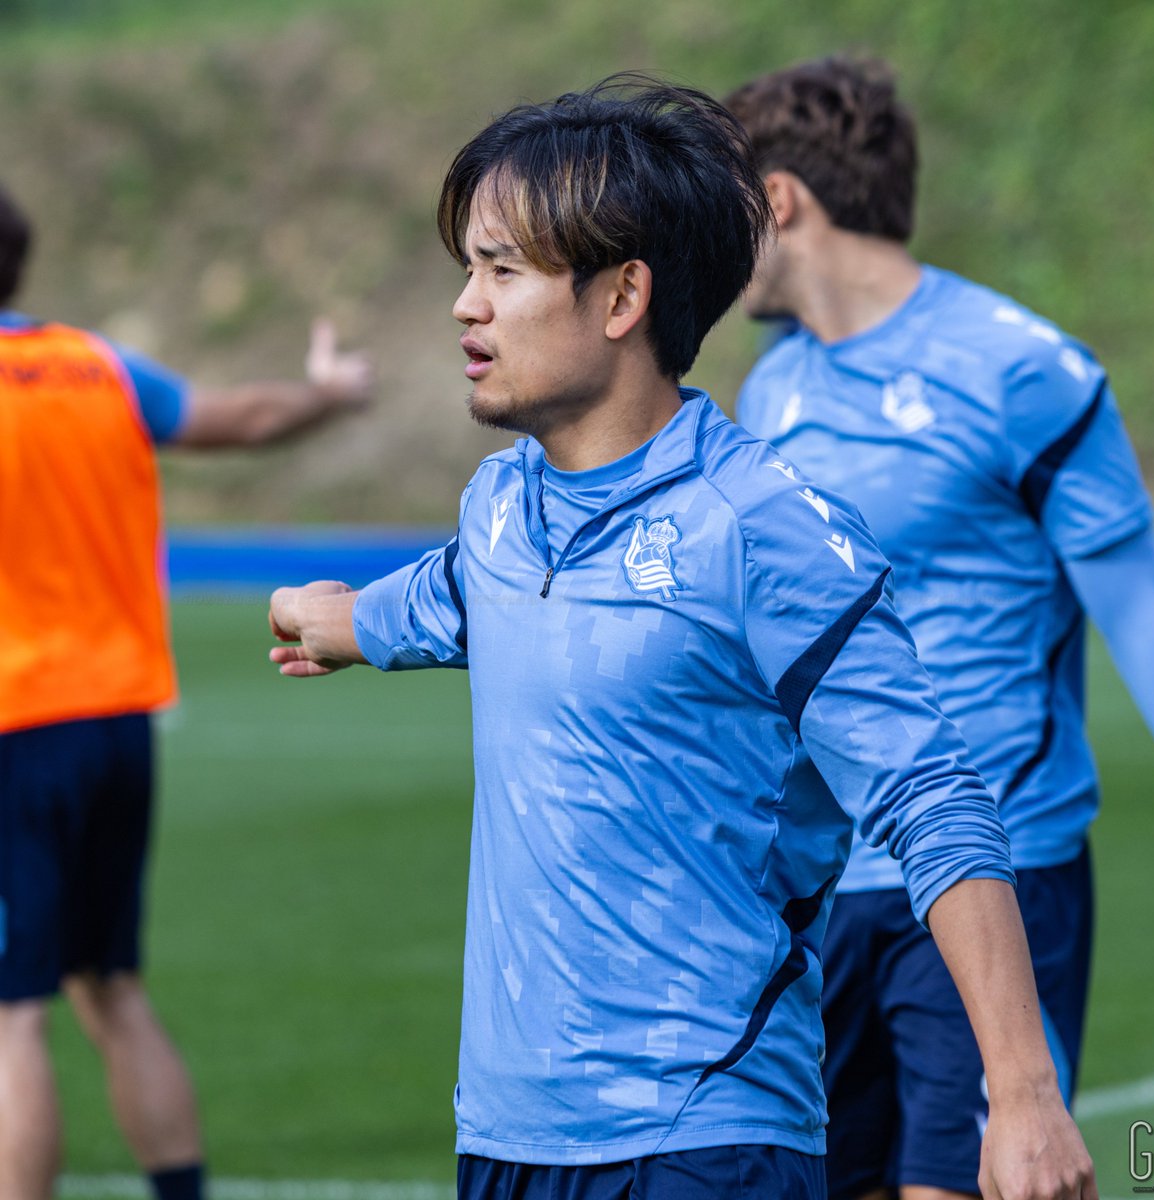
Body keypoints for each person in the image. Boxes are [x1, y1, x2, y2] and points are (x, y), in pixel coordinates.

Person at [267, 78, 1096, 1200]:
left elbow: (933, 798)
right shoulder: (502, 508)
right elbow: (447, 598)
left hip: (703, 1134)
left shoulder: (759, 528)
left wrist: (1027, 1095)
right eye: (469, 268)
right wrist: (331, 620)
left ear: (622, 299)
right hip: (506, 1139)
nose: (467, 305)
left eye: (503, 270)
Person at [724, 56, 1154, 1200]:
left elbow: (1148, 633)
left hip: (1000, 870)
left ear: (780, 201)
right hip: (827, 893)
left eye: (723, 203)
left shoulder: (1025, 373)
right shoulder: (769, 394)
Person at [0, 182, 372, 1200]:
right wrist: (332, 395)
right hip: (118, 714)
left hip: (13, 723)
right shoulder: (93, 366)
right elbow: (241, 417)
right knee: (111, 988)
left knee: (11, 1013)